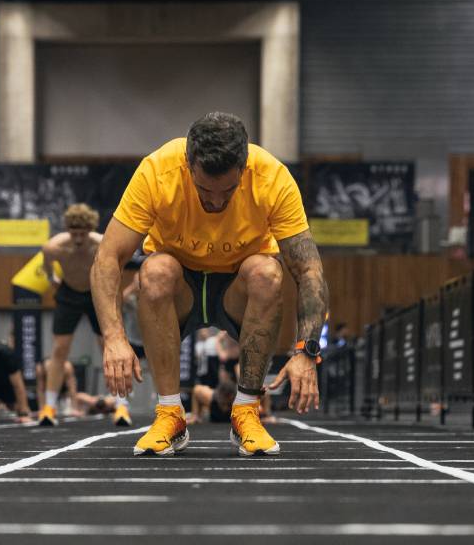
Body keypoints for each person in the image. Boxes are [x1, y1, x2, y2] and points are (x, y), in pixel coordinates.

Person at [91, 111, 329, 457]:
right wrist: (113, 338)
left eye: (228, 191)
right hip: (180, 288)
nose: (216, 202)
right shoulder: (157, 171)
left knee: (267, 272)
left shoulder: (272, 176)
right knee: (155, 270)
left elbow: (309, 270)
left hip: (238, 288)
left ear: (244, 168)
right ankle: (171, 413)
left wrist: (307, 352)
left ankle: (247, 410)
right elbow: (106, 259)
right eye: (205, 190)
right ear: (188, 165)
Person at [38, 203, 132, 428]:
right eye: (74, 233)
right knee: (59, 349)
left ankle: (121, 406)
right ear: (67, 229)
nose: (78, 239)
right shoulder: (53, 248)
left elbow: (117, 267)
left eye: (82, 233)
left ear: (90, 229)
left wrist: (114, 294)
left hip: (95, 292)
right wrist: (53, 279)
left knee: (109, 346)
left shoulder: (101, 243)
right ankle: (49, 408)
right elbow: (48, 269)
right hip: (68, 293)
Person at [35, 358, 116, 417]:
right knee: (84, 399)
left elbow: (72, 388)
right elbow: (41, 390)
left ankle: (105, 402)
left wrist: (74, 409)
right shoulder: (41, 368)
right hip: (53, 402)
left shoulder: (66, 367)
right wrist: (43, 409)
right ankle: (103, 404)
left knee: (83, 398)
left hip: (67, 399)